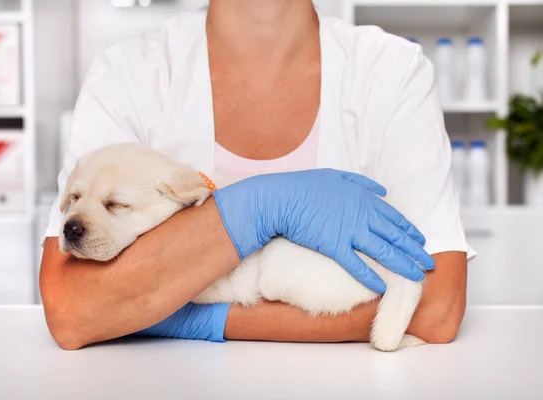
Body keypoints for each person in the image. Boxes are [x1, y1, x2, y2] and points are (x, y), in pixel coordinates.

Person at [40, 0, 470, 350]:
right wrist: (258, 208)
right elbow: (71, 311)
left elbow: (438, 306)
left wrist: (180, 314)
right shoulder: (128, 73)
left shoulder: (391, 69)